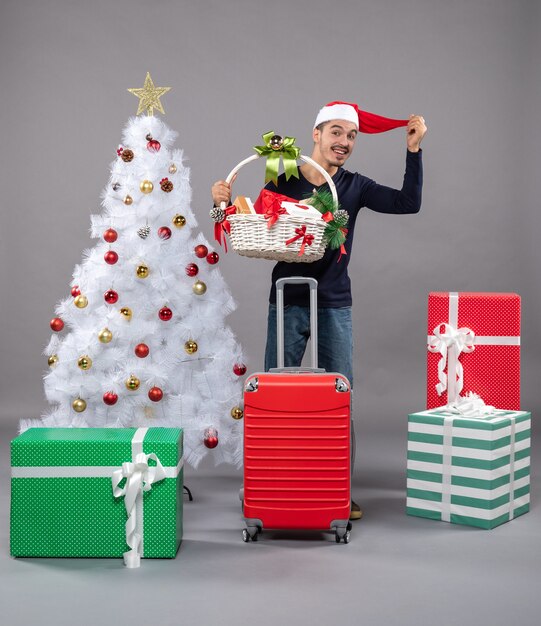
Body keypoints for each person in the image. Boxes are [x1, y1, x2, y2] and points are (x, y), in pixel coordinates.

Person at [211, 101, 427, 521]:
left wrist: (413, 151)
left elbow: (408, 203)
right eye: (336, 133)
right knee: (274, 394)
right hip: (287, 298)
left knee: (337, 397)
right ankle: (269, 483)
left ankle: (335, 489)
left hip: (334, 302)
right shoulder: (283, 177)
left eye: (351, 136)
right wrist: (220, 204)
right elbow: (243, 222)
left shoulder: (355, 186)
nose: (343, 142)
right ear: (316, 134)